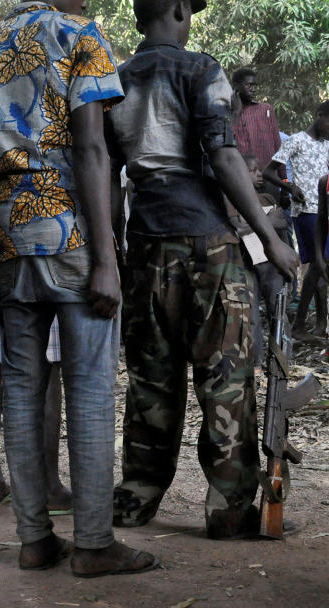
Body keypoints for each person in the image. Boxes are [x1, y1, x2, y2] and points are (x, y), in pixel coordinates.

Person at [0, 0, 154, 576]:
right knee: (90, 387)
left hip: (9, 241)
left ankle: (34, 539)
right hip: (72, 235)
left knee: (23, 389)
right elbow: (92, 149)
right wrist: (106, 259)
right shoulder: (80, 36)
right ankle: (94, 543)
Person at [106, 0, 299, 541]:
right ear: (177, 9)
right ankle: (228, 511)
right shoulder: (199, 68)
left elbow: (105, 169)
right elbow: (222, 155)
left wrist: (114, 252)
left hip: (146, 244)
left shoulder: (116, 79)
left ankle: (138, 497)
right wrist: (269, 239)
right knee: (226, 379)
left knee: (151, 380)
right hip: (207, 246)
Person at [263, 102, 329, 341]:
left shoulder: (327, 145)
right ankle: (301, 325)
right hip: (305, 211)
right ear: (319, 115)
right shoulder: (296, 140)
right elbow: (268, 172)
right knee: (316, 265)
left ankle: (320, 324)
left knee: (320, 266)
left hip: (324, 210)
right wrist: (290, 187)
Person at [229, 154, 293, 366]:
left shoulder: (268, 199)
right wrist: (266, 221)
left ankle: (282, 361)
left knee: (278, 312)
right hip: (248, 265)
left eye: (259, 170)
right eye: (252, 170)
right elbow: (236, 229)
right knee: (252, 315)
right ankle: (255, 362)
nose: (259, 175)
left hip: (272, 267)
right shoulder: (232, 203)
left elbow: (282, 226)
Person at [231, 67, 282, 171]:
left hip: (267, 176)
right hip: (240, 175)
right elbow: (228, 142)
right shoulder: (225, 111)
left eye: (255, 85)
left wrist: (284, 178)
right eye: (249, 85)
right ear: (236, 86)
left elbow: (278, 146)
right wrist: (236, 112)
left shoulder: (266, 110)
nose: (253, 89)